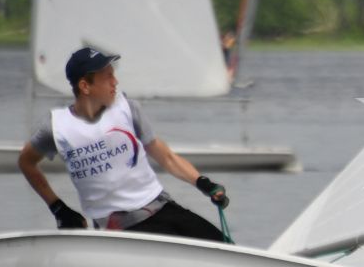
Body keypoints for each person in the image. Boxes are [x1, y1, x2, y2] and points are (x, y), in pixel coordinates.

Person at [18, 46, 230, 241]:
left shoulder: (127, 108)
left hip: (162, 208)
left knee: (224, 246)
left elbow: (166, 157)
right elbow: (26, 163)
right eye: (108, 77)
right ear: (85, 86)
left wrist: (203, 183)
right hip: (120, 230)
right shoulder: (56, 126)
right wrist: (58, 208)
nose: (115, 82)